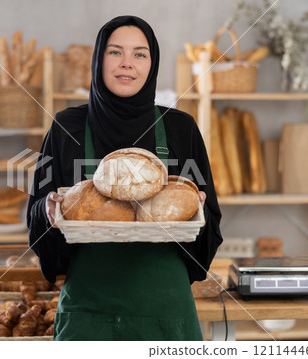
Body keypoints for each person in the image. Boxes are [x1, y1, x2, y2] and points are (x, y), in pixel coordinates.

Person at [27, 15, 223, 341]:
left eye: (140, 54)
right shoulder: (66, 127)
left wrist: (194, 213)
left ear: (152, 63)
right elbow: (35, 216)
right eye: (115, 52)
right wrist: (48, 212)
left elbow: (211, 223)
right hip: (87, 314)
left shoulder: (180, 128)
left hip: (165, 312)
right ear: (99, 59)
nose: (127, 64)